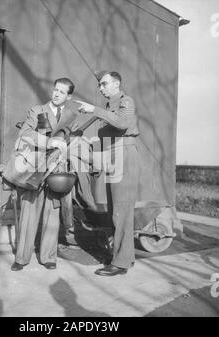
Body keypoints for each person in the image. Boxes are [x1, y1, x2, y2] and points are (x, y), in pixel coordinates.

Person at [74, 71, 140, 276]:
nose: (100, 88)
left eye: (104, 84)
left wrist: (94, 109)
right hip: (113, 155)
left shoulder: (125, 101)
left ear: (116, 83)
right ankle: (125, 258)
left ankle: (120, 264)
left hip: (124, 155)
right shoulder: (109, 107)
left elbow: (122, 123)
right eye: (99, 85)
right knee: (116, 211)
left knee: (122, 212)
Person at [11, 77, 76, 271]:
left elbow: (74, 138)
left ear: (68, 96)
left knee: (52, 213)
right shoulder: (37, 110)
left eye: (62, 92)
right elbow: (25, 134)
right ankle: (21, 258)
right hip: (35, 168)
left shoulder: (72, 116)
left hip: (57, 170)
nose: (57, 94)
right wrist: (49, 142)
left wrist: (68, 151)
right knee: (29, 212)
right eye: (55, 90)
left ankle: (48, 257)